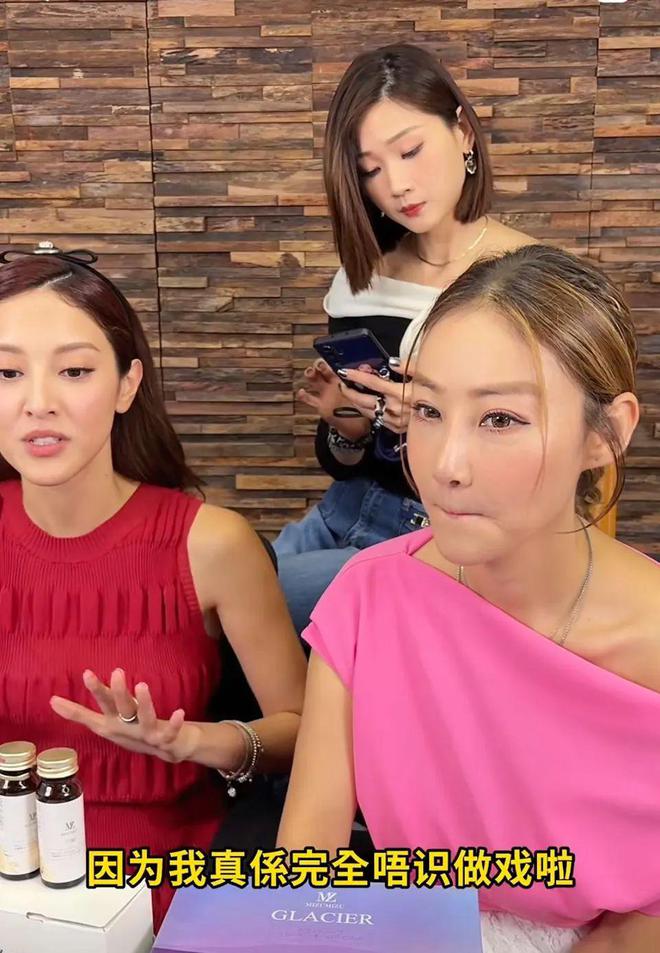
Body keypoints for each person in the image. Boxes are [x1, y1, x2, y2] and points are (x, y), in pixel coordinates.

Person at [277, 245, 660, 953]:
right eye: (427, 410)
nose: (446, 466)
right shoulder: (369, 598)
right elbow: (305, 870)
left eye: (500, 419)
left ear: (607, 434)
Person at [0, 246, 307, 929]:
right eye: (7, 372)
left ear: (126, 384)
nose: (38, 403)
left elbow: (306, 731)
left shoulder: (213, 544)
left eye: (74, 371)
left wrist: (193, 742)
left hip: (163, 884)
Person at [273, 42, 536, 635]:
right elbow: (350, 463)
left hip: (441, 537)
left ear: (463, 133)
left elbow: (546, 450)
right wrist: (347, 425)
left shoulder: (531, 280)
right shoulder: (361, 281)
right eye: (370, 169)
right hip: (343, 514)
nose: (396, 184)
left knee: (237, 602)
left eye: (411, 150)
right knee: (200, 597)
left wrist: (427, 419)